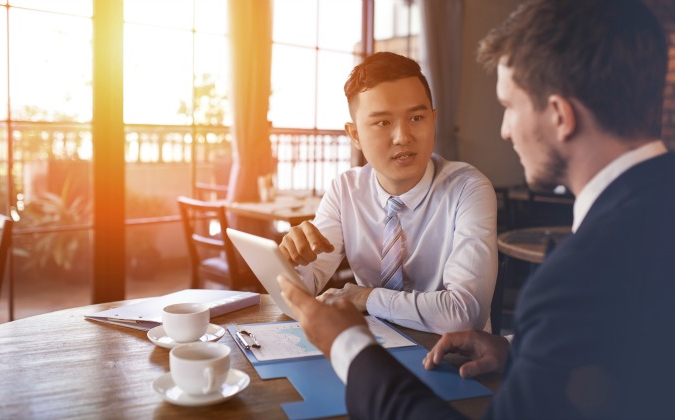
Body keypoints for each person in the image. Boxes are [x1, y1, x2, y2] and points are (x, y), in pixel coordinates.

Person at [278, 0, 675, 418]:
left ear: (560, 115)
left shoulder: (575, 274)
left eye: (509, 106)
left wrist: (349, 345)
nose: (503, 131)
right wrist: (515, 350)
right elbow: (635, 363)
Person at [278, 52, 498, 334]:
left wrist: (366, 297)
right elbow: (306, 286)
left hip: (455, 361)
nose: (403, 137)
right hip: (373, 352)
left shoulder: (468, 189)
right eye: (383, 122)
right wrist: (291, 264)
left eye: (417, 117)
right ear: (355, 135)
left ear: (433, 120)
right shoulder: (346, 190)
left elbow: (465, 315)